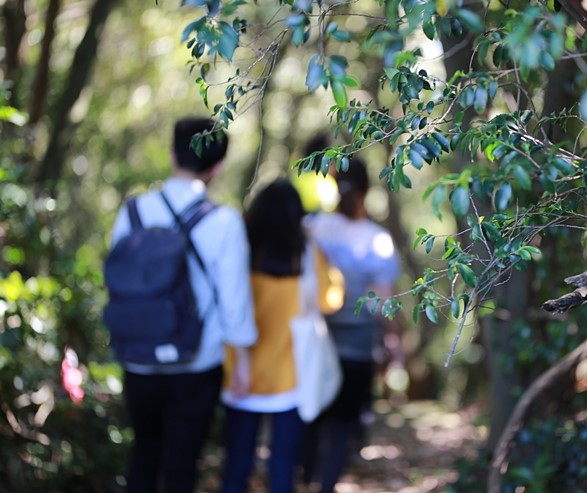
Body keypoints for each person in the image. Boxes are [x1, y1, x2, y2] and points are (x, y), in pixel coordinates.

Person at [108, 117, 257, 493]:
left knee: (143, 454)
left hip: (138, 356)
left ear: (173, 153)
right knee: (182, 464)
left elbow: (116, 280)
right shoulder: (224, 221)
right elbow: (234, 300)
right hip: (197, 361)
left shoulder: (133, 212)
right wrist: (241, 361)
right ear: (218, 166)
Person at [220, 179, 344, 493]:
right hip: (291, 375)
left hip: (239, 371)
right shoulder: (305, 252)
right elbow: (330, 300)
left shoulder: (241, 250)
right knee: (283, 467)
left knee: (237, 464)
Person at [302, 157, 402, 493]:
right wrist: (393, 344)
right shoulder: (377, 239)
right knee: (344, 425)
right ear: (367, 189)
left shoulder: (311, 227)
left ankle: (303, 480)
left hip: (315, 340)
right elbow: (384, 300)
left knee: (312, 417)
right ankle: (326, 484)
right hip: (358, 344)